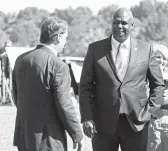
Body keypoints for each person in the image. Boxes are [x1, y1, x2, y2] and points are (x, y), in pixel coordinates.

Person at [79, 8, 164, 151]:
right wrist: (87, 117)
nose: (119, 26)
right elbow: (85, 86)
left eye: (124, 23)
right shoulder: (95, 49)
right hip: (103, 122)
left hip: (137, 123)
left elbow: (158, 85)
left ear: (132, 25)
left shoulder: (147, 49)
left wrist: (150, 112)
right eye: (116, 22)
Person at [12, 16, 83, 151]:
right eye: (65, 37)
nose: (66, 42)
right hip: (49, 139)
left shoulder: (21, 60)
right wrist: (77, 134)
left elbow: (17, 98)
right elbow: (64, 104)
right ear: (57, 37)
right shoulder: (58, 65)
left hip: (24, 136)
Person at [148, 44, 168, 151]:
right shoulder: (144, 77)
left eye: (164, 58)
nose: (161, 61)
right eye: (158, 57)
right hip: (152, 126)